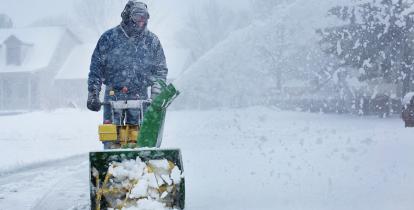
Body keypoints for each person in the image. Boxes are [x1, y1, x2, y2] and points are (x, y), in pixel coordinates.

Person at [86, 1, 168, 147]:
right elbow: (96, 68)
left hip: (140, 95)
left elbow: (160, 70)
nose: (142, 21)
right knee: (111, 138)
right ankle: (111, 162)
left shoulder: (152, 41)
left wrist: (156, 93)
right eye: (137, 16)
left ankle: (136, 165)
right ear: (127, 16)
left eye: (145, 17)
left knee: (137, 139)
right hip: (113, 94)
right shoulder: (109, 38)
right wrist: (93, 94)